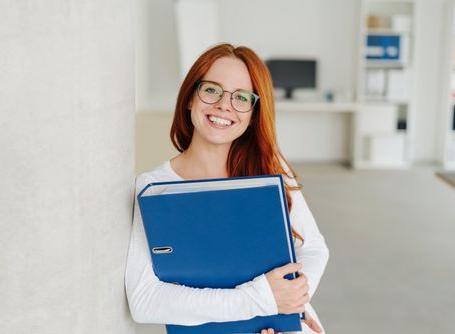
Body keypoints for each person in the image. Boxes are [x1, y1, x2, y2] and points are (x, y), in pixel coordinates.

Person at [125, 43, 329, 334]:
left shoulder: (270, 168)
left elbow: (314, 248)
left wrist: (295, 302)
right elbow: (145, 299)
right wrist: (261, 299)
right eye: (211, 90)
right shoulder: (153, 188)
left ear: (253, 114)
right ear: (189, 98)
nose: (224, 105)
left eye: (241, 97)